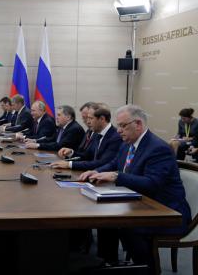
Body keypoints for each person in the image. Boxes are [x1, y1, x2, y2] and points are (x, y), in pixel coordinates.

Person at [79, 105, 191, 270]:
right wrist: (95, 171)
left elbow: (151, 183)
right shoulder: (127, 143)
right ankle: (109, 263)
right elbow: (114, 163)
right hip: (139, 203)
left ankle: (145, 268)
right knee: (105, 219)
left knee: (125, 226)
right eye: (119, 126)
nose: (119, 131)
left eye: (123, 126)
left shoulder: (158, 148)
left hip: (165, 212)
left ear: (138, 124)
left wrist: (117, 176)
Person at [51, 106, 122, 170]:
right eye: (87, 118)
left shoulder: (115, 137)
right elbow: (87, 156)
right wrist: (71, 153)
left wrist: (70, 164)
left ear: (102, 119)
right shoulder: (97, 134)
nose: (88, 122)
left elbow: (102, 163)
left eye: (91, 118)